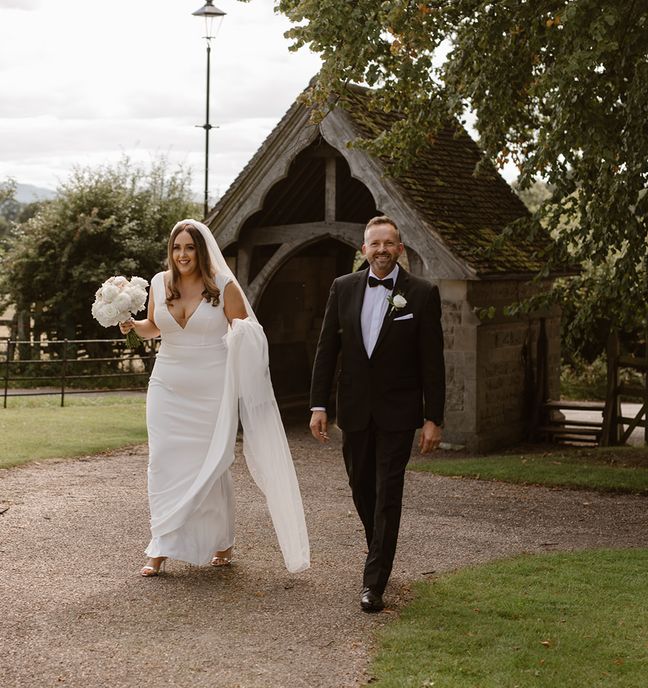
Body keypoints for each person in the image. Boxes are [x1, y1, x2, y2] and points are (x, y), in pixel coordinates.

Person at [120, 219, 310, 578]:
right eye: (177, 248)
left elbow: (245, 330)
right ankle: (160, 545)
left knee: (211, 465)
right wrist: (131, 326)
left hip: (210, 388)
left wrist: (242, 336)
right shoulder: (160, 283)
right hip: (167, 384)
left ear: (201, 251)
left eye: (189, 247)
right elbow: (154, 327)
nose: (182, 254)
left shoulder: (224, 286)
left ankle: (223, 541)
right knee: (162, 463)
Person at [309, 215, 445, 612]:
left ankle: (374, 583)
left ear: (400, 249)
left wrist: (432, 417)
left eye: (389, 243)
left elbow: (432, 362)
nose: (382, 249)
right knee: (360, 487)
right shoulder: (343, 288)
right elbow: (325, 350)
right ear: (363, 249)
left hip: (399, 412)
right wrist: (318, 404)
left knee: (388, 492)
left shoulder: (421, 293)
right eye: (375, 243)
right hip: (353, 409)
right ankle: (380, 552)